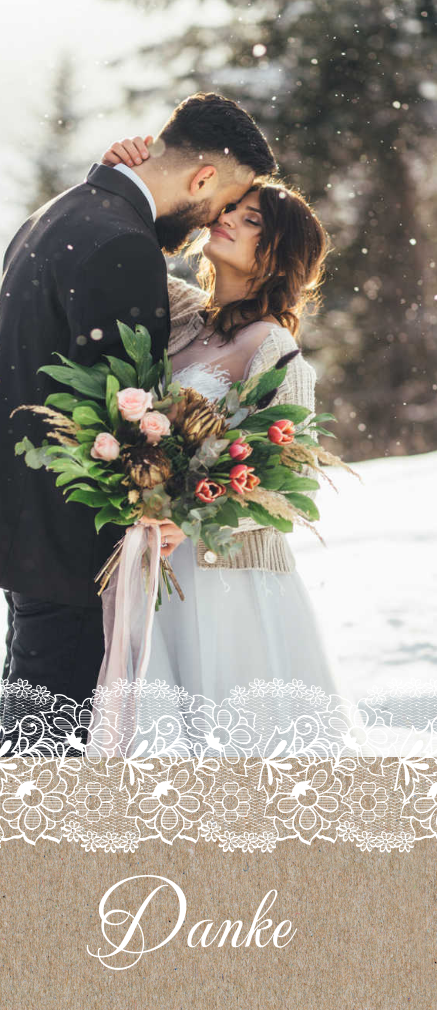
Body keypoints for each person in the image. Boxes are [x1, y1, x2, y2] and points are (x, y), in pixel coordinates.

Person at [0, 94, 275, 749]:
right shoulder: (120, 245)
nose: (216, 219)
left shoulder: (61, 213)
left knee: (34, 727)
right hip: (73, 536)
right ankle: (33, 852)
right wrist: (152, 501)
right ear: (203, 180)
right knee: (56, 751)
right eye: (224, 202)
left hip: (22, 518)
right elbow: (118, 408)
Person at [96, 136, 341, 718]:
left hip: (230, 585)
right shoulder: (183, 316)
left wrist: (188, 517)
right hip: (156, 567)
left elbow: (288, 482)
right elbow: (126, 249)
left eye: (249, 218)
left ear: (277, 252)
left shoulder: (275, 351)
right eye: (231, 207)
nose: (225, 217)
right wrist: (115, 172)